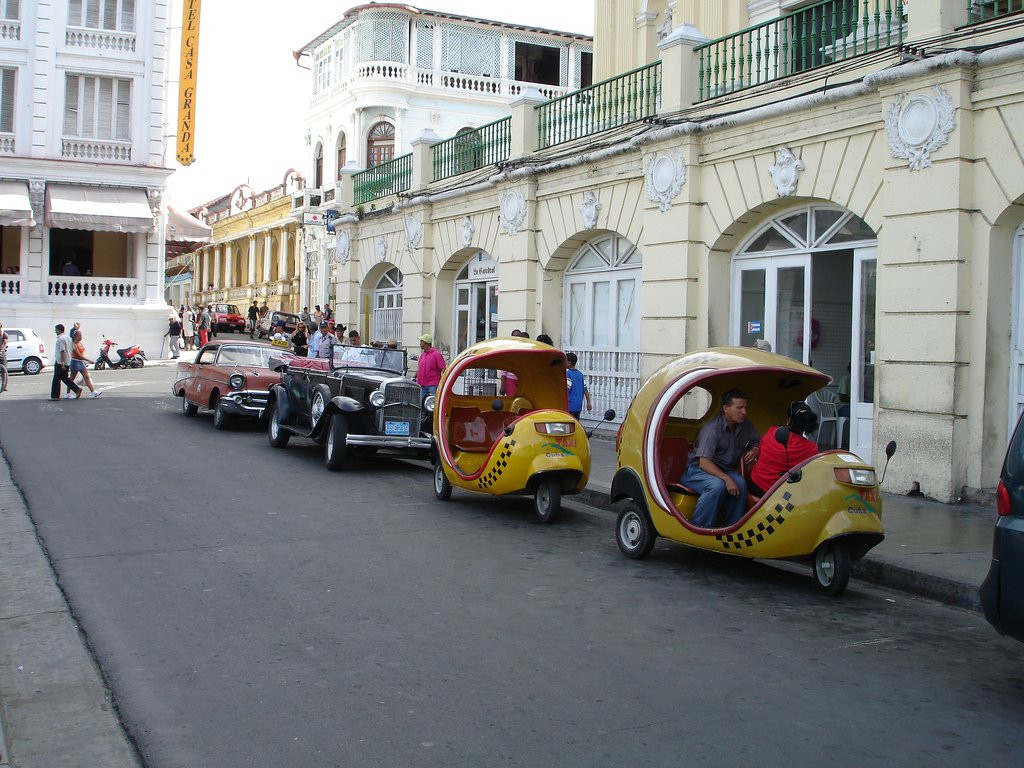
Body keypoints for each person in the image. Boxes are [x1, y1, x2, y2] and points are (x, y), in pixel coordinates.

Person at [679, 389, 760, 528]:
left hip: (725, 469)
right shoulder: (712, 429)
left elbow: (757, 441)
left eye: (745, 408)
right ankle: (700, 528)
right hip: (698, 470)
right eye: (739, 408)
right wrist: (727, 479)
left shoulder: (746, 425)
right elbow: (704, 463)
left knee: (740, 484)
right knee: (717, 486)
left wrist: (755, 449)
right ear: (725, 408)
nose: (744, 412)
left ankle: (731, 527)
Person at [748, 401, 819, 497]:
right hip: (782, 495)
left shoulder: (771, 432)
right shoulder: (811, 449)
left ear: (789, 421)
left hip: (756, 486)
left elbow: (760, 454)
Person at [51, 324, 82, 400]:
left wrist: (62, 362)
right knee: (64, 377)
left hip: (60, 361)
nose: (55, 331)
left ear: (59, 330)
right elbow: (72, 349)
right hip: (68, 360)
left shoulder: (60, 339)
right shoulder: (69, 338)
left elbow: (62, 350)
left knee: (56, 378)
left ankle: (55, 396)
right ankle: (76, 389)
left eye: (56, 330)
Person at [68, 329, 102, 398]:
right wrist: (88, 360)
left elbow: (82, 353)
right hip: (75, 362)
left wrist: (84, 361)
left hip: (81, 362)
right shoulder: (73, 344)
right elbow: (78, 355)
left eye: (81, 336)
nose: (81, 337)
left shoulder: (80, 343)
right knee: (72, 379)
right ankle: (68, 393)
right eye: (79, 336)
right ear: (75, 336)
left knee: (86, 377)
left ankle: (93, 392)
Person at [416, 333, 445, 399]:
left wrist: (444, 382)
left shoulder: (436, 354)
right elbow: (419, 369)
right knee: (420, 403)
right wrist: (414, 377)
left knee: (432, 403)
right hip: (421, 385)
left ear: (425, 342)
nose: (420, 343)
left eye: (421, 341)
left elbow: (443, 369)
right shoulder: (422, 355)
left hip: (432, 385)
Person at [565, 352, 592, 420]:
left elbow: (566, 389)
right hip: (578, 406)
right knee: (576, 423)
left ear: (569, 363)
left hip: (570, 406)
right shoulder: (580, 374)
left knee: (570, 424)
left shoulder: (568, 374)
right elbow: (585, 390)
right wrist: (588, 402)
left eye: (564, 361)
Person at [0, 321, 8, 393]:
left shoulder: (4, 334)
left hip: (1, 353)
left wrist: (1, 350)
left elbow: (5, 343)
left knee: (4, 370)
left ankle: (4, 385)